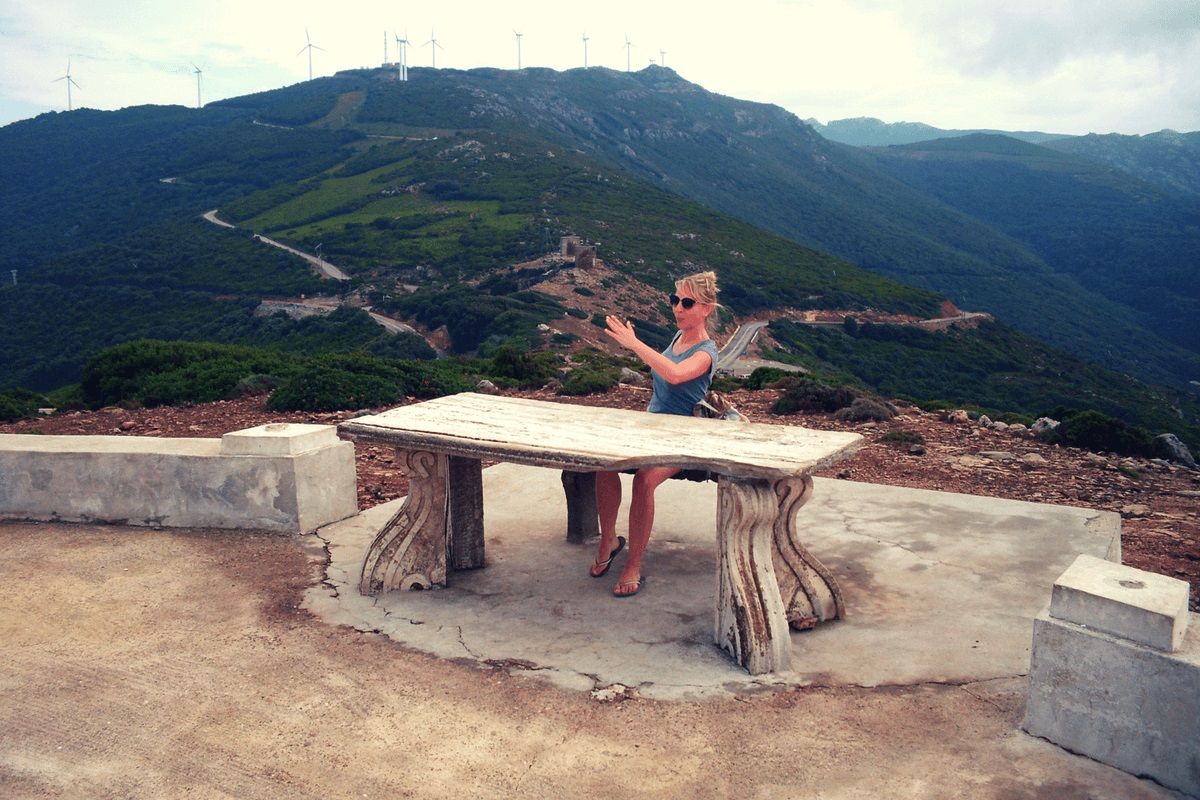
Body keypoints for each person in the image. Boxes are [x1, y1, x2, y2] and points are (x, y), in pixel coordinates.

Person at [590, 270, 721, 597]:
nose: (678, 308)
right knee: (603, 462)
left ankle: (633, 562)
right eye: (675, 300)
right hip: (653, 425)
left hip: (684, 433)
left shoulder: (707, 352)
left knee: (645, 479)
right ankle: (608, 539)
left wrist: (634, 344)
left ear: (706, 308)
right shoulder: (677, 338)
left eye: (687, 302)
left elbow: (676, 375)